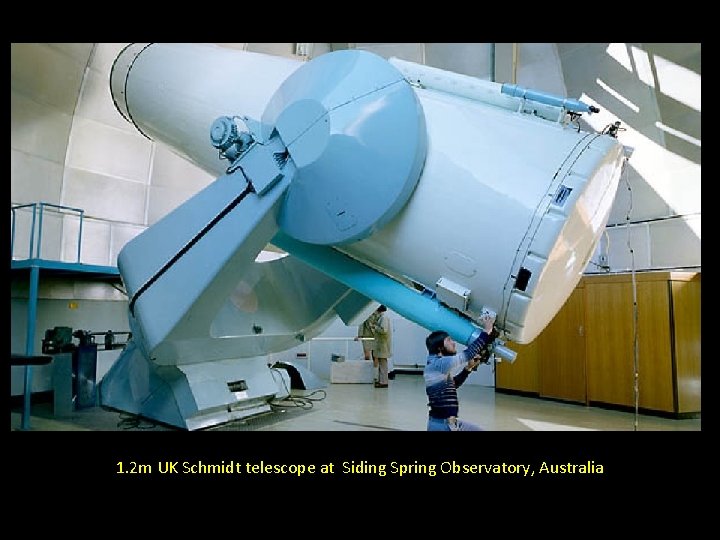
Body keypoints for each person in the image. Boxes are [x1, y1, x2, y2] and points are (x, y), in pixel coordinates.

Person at [423, 312, 497, 431]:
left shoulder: (436, 365)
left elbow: (453, 384)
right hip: (441, 426)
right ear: (440, 348)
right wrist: (487, 330)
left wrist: (468, 368)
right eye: (449, 340)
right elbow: (467, 354)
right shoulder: (438, 364)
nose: (453, 343)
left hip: (451, 424)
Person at [370, 305, 393, 388]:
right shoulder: (382, 317)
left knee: (383, 364)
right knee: (381, 363)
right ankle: (382, 380)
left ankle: (383, 382)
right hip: (382, 344)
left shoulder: (384, 318)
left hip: (383, 344)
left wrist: (375, 327)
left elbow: (384, 330)